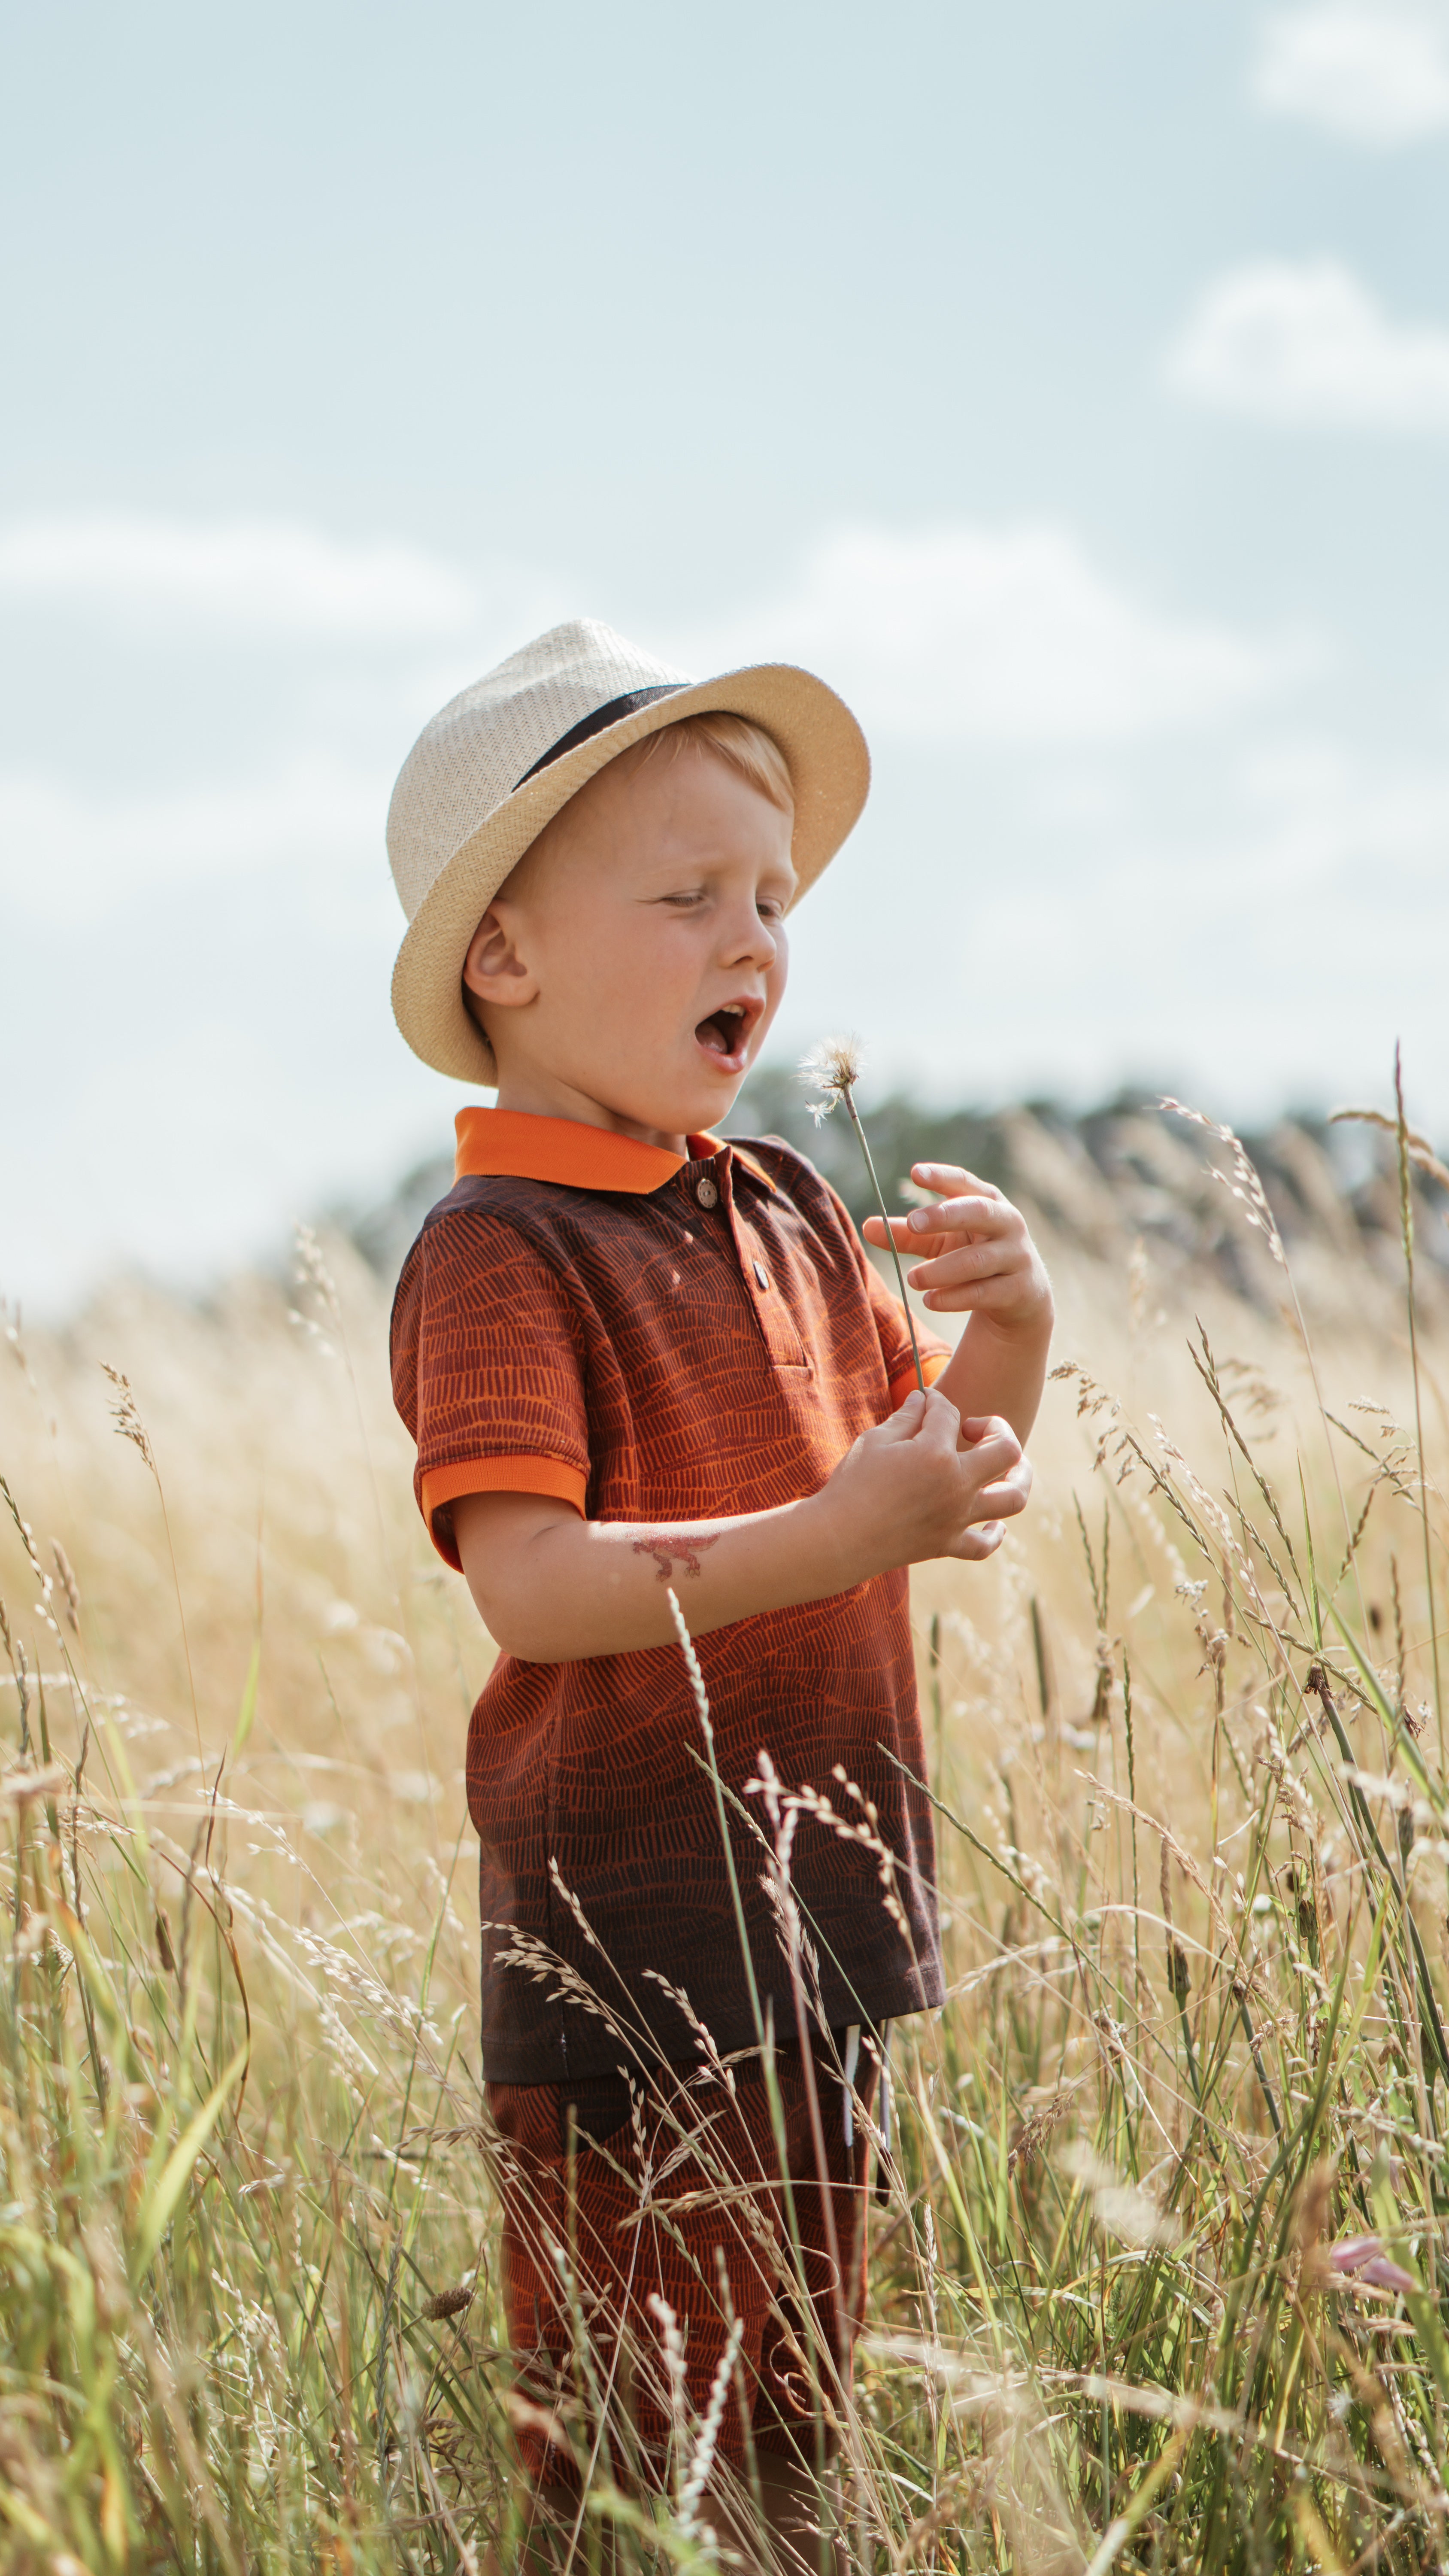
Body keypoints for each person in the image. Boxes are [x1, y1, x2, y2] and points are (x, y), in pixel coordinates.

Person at [386, 619, 1053, 2568]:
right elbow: (532, 1587)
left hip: (819, 1927)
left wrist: (1012, 1327)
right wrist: (835, 1538)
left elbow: (929, 1471)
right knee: (631, 2464)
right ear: (502, 958)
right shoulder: (496, 1248)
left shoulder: (778, 1207)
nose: (751, 938)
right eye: (686, 896)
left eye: (771, 898)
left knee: (797, 2436)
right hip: (634, 1957)